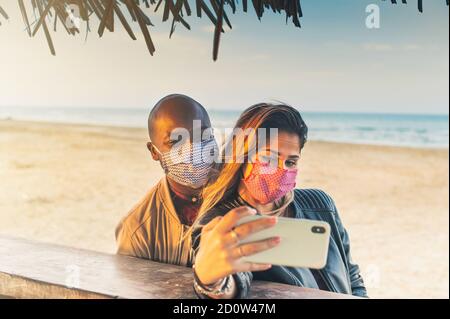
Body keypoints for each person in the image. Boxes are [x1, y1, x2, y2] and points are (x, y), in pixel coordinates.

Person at [191, 103, 367, 298]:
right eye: (269, 159)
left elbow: (352, 277)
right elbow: (230, 285)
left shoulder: (321, 204)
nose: (281, 170)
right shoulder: (223, 221)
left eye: (291, 162)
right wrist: (210, 280)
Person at [116, 94, 218, 266]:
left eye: (203, 136)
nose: (194, 149)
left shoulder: (246, 191)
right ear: (154, 152)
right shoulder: (138, 231)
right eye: (176, 142)